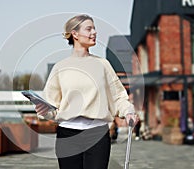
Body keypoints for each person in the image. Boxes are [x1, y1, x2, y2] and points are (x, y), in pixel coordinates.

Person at [35, 14, 138, 169]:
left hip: (97, 134)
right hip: (67, 135)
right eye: (89, 29)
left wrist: (128, 111)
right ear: (74, 34)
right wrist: (45, 111)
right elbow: (52, 107)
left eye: (94, 28)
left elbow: (118, 97)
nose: (94, 32)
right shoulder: (60, 67)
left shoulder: (103, 65)